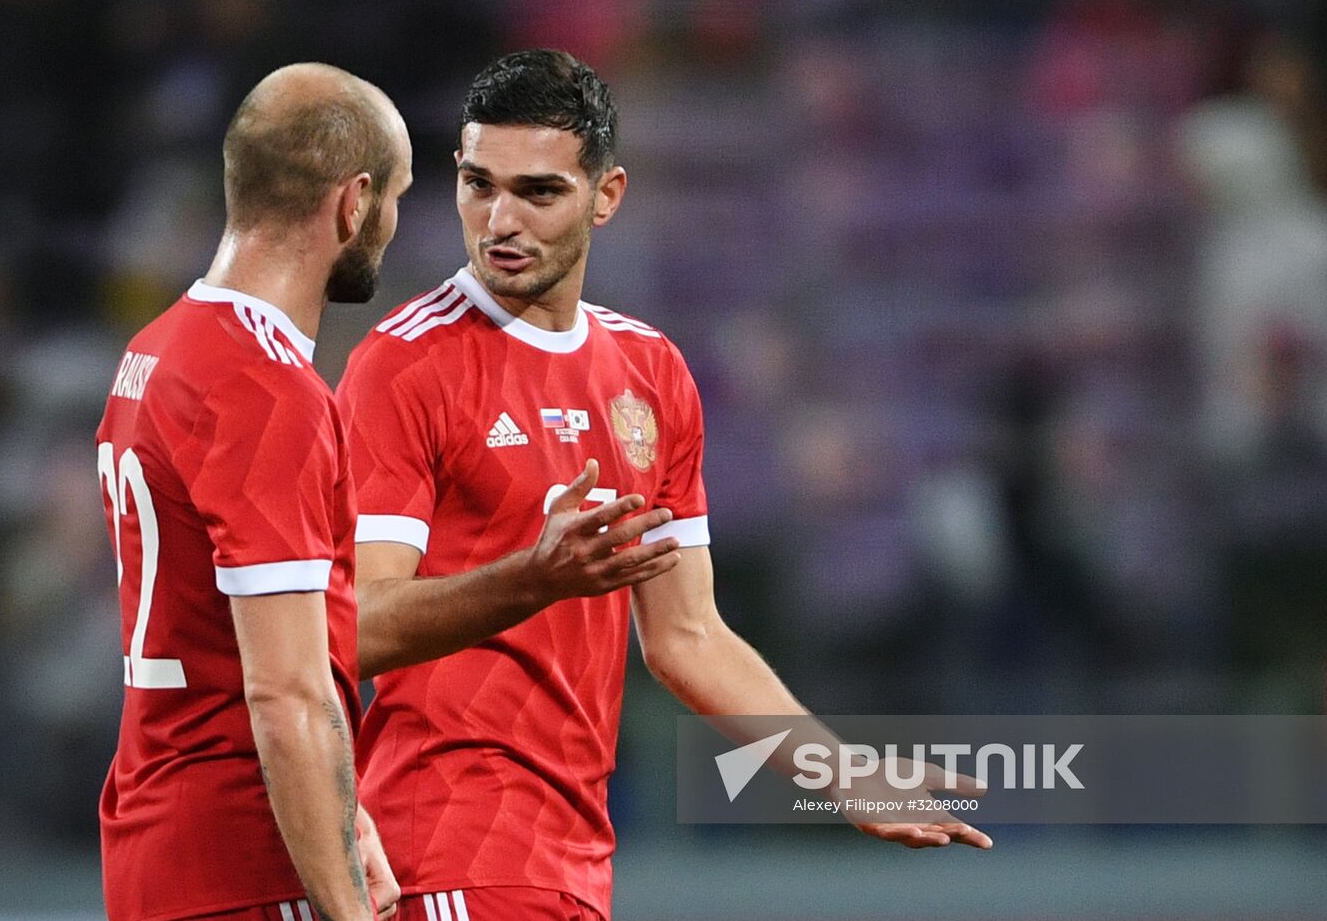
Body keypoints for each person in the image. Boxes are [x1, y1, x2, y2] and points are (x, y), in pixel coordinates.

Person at [337, 49, 991, 921]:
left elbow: (685, 636)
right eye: (478, 184)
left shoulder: (650, 374)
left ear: (605, 197)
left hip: (573, 849)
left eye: (538, 192)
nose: (499, 219)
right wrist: (533, 577)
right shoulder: (404, 366)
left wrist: (844, 774)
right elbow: (354, 624)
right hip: (447, 841)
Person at [96, 63, 411, 921]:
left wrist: (350, 820)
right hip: (243, 864)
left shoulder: (154, 352)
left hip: (156, 847)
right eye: (394, 197)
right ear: (352, 204)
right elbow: (287, 695)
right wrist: (346, 905)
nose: (391, 222)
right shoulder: (266, 393)